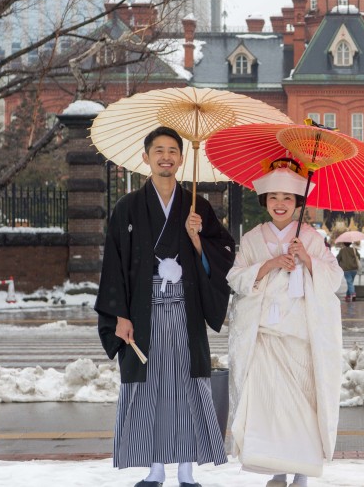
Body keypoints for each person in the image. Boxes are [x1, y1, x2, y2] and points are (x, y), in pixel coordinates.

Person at [95, 126, 235, 487]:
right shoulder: (127, 207)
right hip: (143, 312)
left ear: (182, 158)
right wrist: (119, 316)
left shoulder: (197, 206)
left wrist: (197, 238)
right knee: (149, 389)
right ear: (146, 157)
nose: (166, 157)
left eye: (173, 150)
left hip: (185, 312)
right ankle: (154, 468)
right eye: (158, 151)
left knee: (187, 386)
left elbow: (223, 256)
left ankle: (187, 469)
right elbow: (114, 263)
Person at [226, 159, 343, 487]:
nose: (280, 204)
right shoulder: (252, 239)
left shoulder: (310, 237)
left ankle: (302, 473)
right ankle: (276, 471)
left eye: (288, 198)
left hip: (300, 336)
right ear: (265, 201)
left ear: (297, 203)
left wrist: (306, 258)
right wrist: (269, 264)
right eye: (274, 197)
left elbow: (333, 279)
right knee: (270, 410)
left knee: (303, 410)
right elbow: (235, 277)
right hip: (265, 338)